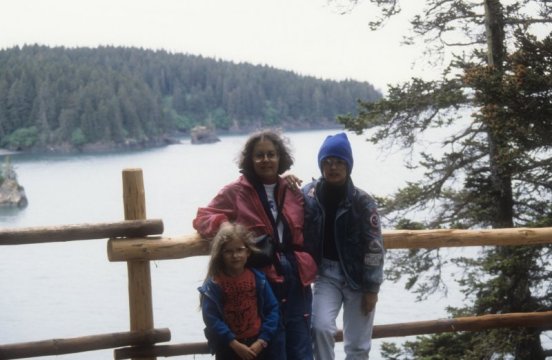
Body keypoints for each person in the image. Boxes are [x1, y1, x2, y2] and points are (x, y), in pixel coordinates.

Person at [193, 129, 317, 360]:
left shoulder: (291, 189)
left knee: (301, 344)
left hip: (296, 277)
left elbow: (316, 205)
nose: (266, 160)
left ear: (280, 158)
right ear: (250, 160)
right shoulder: (236, 191)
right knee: (273, 346)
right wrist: (229, 232)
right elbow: (203, 218)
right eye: (259, 155)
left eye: (271, 154)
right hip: (264, 279)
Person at [302, 132, 385, 360]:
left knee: (358, 345)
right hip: (325, 274)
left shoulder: (362, 202)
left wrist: (372, 288)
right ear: (321, 165)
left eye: (339, 162)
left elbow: (375, 248)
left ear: (348, 165)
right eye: (327, 162)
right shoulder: (309, 195)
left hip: (358, 279)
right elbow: (285, 207)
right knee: (320, 328)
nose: (333, 167)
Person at [198, 222, 280, 359]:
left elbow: (272, 308)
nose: (235, 255)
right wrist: (233, 343)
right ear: (221, 255)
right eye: (228, 251)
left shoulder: (259, 279)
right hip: (228, 347)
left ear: (247, 252)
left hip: (257, 345)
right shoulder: (214, 284)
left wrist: (262, 340)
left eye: (239, 250)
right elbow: (211, 318)